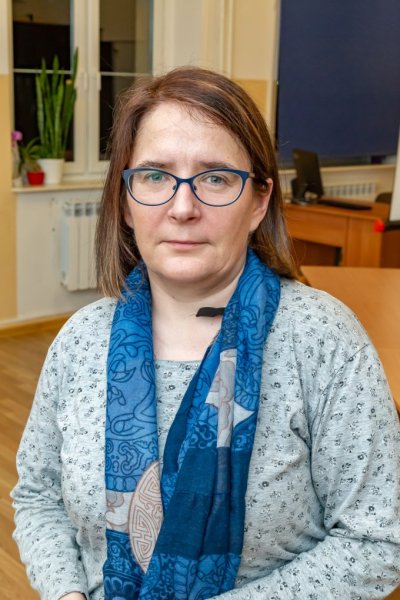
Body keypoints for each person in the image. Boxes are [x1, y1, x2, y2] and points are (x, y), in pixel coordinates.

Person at [11, 66, 400, 600]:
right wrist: (66, 592)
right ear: (125, 200)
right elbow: (38, 496)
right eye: (155, 176)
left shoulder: (321, 338)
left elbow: (376, 540)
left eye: (215, 178)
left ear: (259, 201)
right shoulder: (82, 339)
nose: (182, 208)